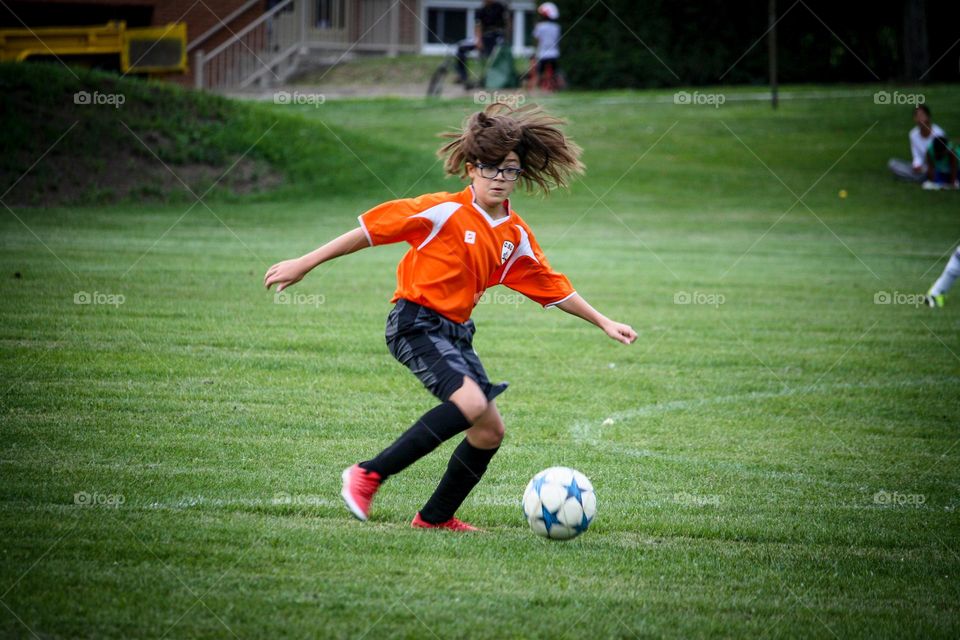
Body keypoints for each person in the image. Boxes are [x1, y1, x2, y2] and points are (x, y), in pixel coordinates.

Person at [263, 104, 637, 531]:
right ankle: (368, 473)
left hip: (456, 333)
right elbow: (368, 233)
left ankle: (435, 517)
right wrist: (305, 263)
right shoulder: (441, 211)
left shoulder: (514, 235)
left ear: (520, 174)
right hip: (414, 322)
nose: (499, 177)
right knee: (472, 404)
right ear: (471, 170)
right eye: (491, 168)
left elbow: (552, 285)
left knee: (489, 429)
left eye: (509, 170)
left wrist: (604, 321)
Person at [456, 0, 511, 86]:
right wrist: (479, 41)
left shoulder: (500, 7)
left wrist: (507, 37)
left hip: (497, 37)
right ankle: (463, 76)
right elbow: (478, 25)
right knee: (461, 47)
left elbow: (507, 23)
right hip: (484, 37)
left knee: (494, 53)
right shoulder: (481, 10)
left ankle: (493, 78)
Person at [888, 105, 946, 182]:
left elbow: (942, 157)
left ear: (928, 117)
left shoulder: (939, 134)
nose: (919, 119)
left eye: (922, 115)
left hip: (936, 168)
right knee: (893, 163)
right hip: (922, 169)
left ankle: (915, 178)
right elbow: (916, 154)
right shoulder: (913, 134)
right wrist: (917, 165)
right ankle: (919, 178)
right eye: (916, 116)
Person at [532, 2, 562, 91]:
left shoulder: (539, 26)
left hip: (543, 53)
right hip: (554, 53)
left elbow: (536, 39)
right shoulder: (557, 27)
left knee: (539, 74)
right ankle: (554, 89)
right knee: (554, 73)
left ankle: (536, 90)